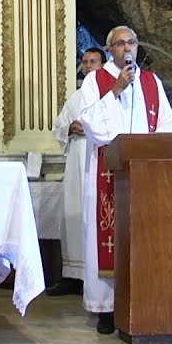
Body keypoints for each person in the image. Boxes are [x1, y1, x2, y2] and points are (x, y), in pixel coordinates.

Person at [76, 26, 172, 334]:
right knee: (108, 238)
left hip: (145, 176)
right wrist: (117, 89)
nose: (127, 48)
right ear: (110, 49)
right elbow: (89, 123)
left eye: (131, 42)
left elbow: (165, 124)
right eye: (120, 44)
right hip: (109, 172)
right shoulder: (96, 80)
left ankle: (145, 301)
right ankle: (106, 309)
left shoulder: (151, 81)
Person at [47, 47, 106, 296]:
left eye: (93, 61)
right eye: (85, 62)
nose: (88, 65)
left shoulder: (110, 95)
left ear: (103, 64)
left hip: (99, 160)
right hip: (76, 161)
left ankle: (98, 275)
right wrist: (70, 128)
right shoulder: (75, 98)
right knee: (73, 213)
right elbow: (58, 126)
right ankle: (73, 275)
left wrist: (91, 130)